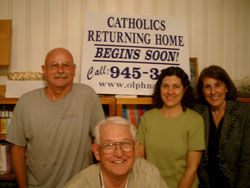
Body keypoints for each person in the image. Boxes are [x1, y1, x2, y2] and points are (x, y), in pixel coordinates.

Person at [6, 48, 105, 188]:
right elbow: (17, 149)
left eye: (66, 65)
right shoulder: (26, 102)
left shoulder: (87, 96)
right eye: (54, 65)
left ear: (74, 69)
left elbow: (101, 141)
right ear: (44, 70)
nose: (60, 71)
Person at [136, 66, 205, 188]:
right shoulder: (147, 118)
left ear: (184, 90)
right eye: (165, 86)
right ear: (160, 89)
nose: (170, 92)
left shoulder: (195, 120)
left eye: (176, 86)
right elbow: (139, 159)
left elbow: (192, 168)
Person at [64, 116, 168, 188]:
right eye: (109, 145)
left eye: (125, 143)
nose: (119, 153)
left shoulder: (147, 172)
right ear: (97, 152)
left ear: (135, 147)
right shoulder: (80, 184)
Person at [193, 65, 250, 188]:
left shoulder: (244, 113)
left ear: (227, 88)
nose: (213, 92)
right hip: (205, 184)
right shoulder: (198, 112)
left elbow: (247, 161)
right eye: (207, 87)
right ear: (202, 91)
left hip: (234, 183)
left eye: (218, 85)